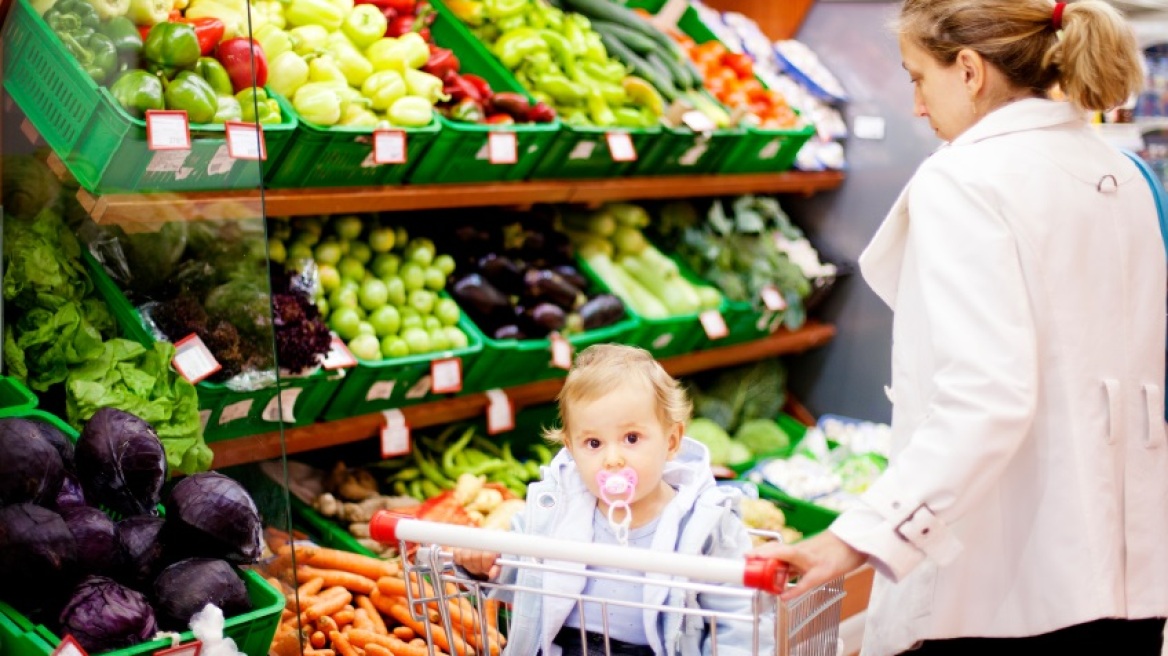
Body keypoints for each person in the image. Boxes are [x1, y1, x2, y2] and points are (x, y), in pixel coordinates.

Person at [751, 1, 1168, 654]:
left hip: (1005, 595)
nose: (916, 105)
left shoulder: (965, 180)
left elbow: (986, 396)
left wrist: (853, 539)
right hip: (1133, 584)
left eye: (917, 77)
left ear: (969, 70)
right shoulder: (1130, 176)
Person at [454, 343, 768, 656]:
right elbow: (523, 570)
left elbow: (740, 616)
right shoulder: (557, 509)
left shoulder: (705, 523)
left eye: (631, 438)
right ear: (571, 449)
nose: (612, 459)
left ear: (671, 441)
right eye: (593, 443)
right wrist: (487, 564)